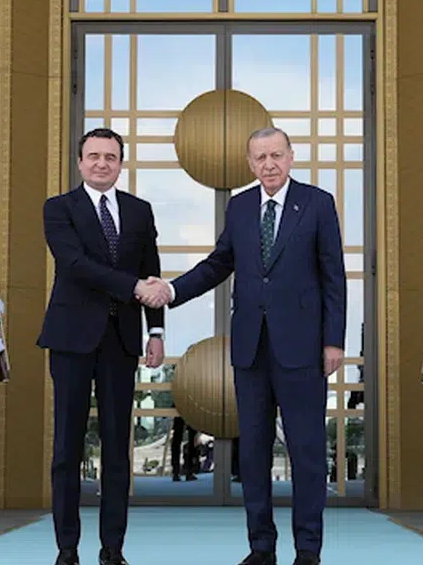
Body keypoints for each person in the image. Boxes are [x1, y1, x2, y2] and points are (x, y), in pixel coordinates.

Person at [144, 126, 347, 565]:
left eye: (276, 155)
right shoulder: (239, 207)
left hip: (303, 348)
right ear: (250, 163)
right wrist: (172, 291)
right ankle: (261, 547)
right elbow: (218, 264)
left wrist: (334, 341)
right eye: (260, 158)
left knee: (307, 452)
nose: (269, 164)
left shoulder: (317, 203)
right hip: (251, 349)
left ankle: (308, 549)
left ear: (291, 157)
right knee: (252, 452)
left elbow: (334, 276)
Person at [39, 127, 166, 565]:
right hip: (72, 338)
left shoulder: (139, 211)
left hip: (121, 341)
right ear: (80, 162)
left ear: (120, 163)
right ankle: (67, 548)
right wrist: (133, 287)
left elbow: (151, 268)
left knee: (116, 449)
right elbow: (74, 264)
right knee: (67, 448)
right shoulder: (59, 208)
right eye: (93, 156)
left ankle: (113, 549)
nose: (101, 163)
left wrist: (156, 331)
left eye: (110, 157)